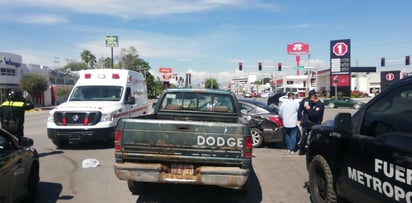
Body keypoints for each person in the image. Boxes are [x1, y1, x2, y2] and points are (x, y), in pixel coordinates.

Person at [298, 91, 324, 155]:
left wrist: (300, 118)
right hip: (307, 121)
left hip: (313, 121)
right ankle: (302, 149)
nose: (311, 100)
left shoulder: (318, 104)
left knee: (312, 136)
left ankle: (310, 149)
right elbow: (300, 110)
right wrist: (300, 119)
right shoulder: (306, 100)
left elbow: (315, 114)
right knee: (305, 136)